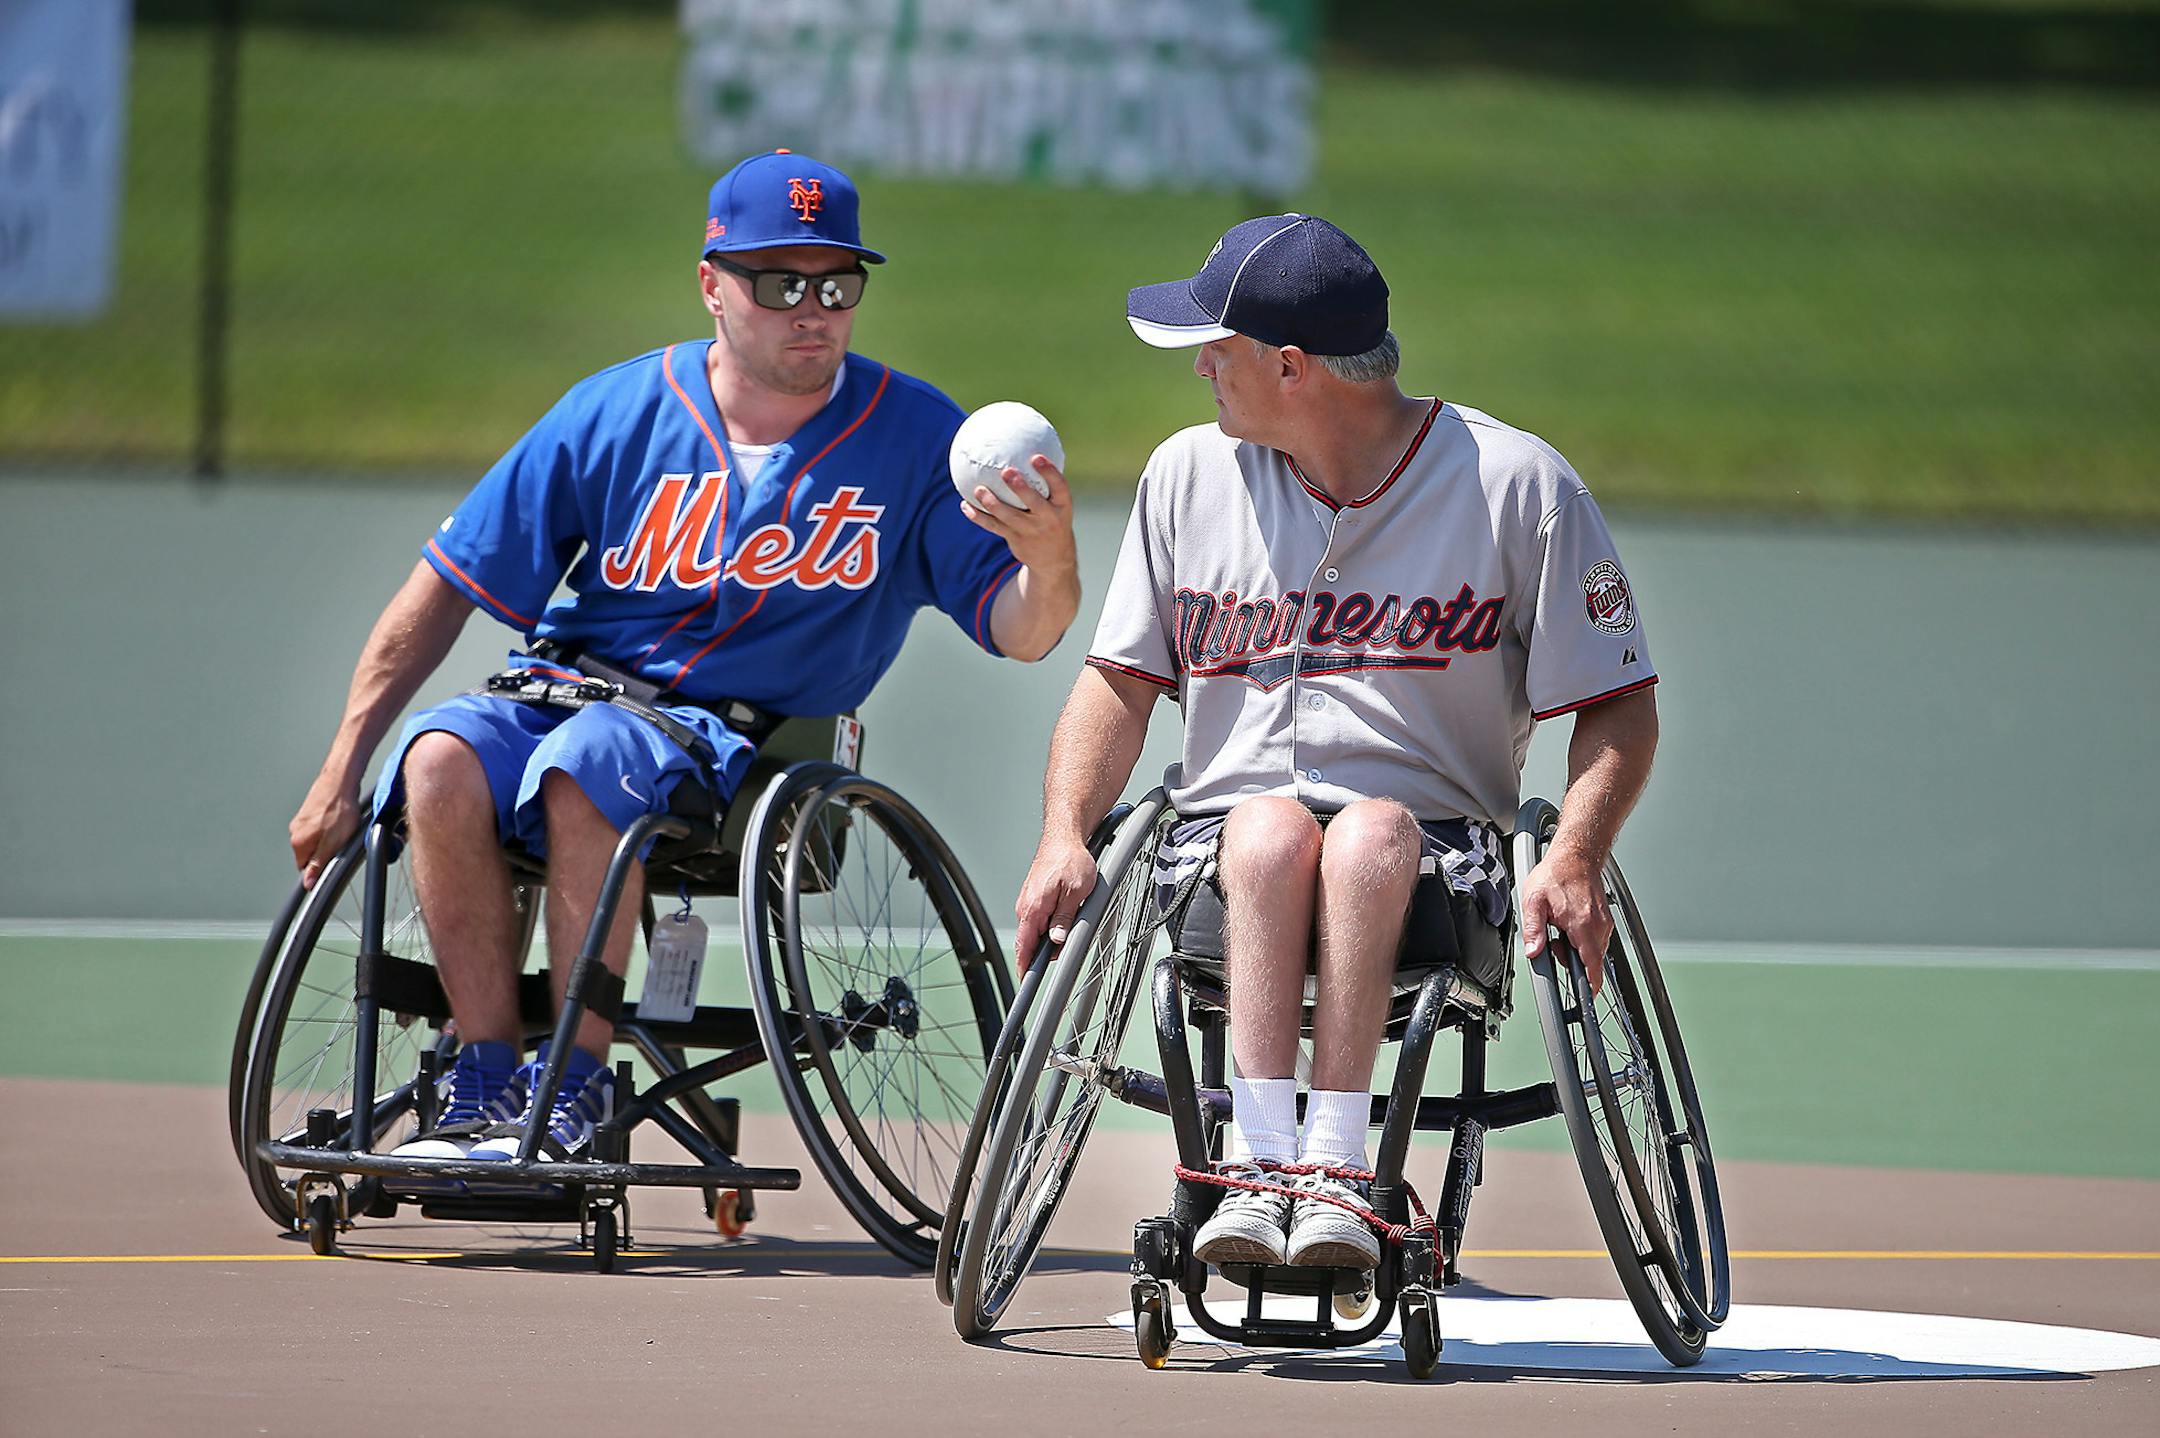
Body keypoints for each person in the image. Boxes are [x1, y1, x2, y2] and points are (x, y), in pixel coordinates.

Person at [287, 149, 1079, 1170]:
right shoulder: (615, 410)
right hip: (571, 693)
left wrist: (1049, 557)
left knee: (592, 760)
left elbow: (1026, 630)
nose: (815, 309)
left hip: (744, 749)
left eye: (839, 285)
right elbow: (446, 580)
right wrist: (341, 765)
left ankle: (571, 1090)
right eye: (781, 282)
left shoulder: (917, 434)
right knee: (439, 753)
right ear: (712, 282)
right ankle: (481, 1079)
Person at [1013, 213, 1658, 1271]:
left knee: (1367, 834)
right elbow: (1118, 685)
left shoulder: (1516, 486)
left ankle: (1338, 1168)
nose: (1202, 368)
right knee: (1267, 828)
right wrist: (1063, 833)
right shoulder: (1185, 476)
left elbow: (1621, 703)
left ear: (1293, 368)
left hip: (1438, 865)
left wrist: (1576, 855)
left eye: (1215, 348)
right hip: (1223, 857)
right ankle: (1263, 1170)